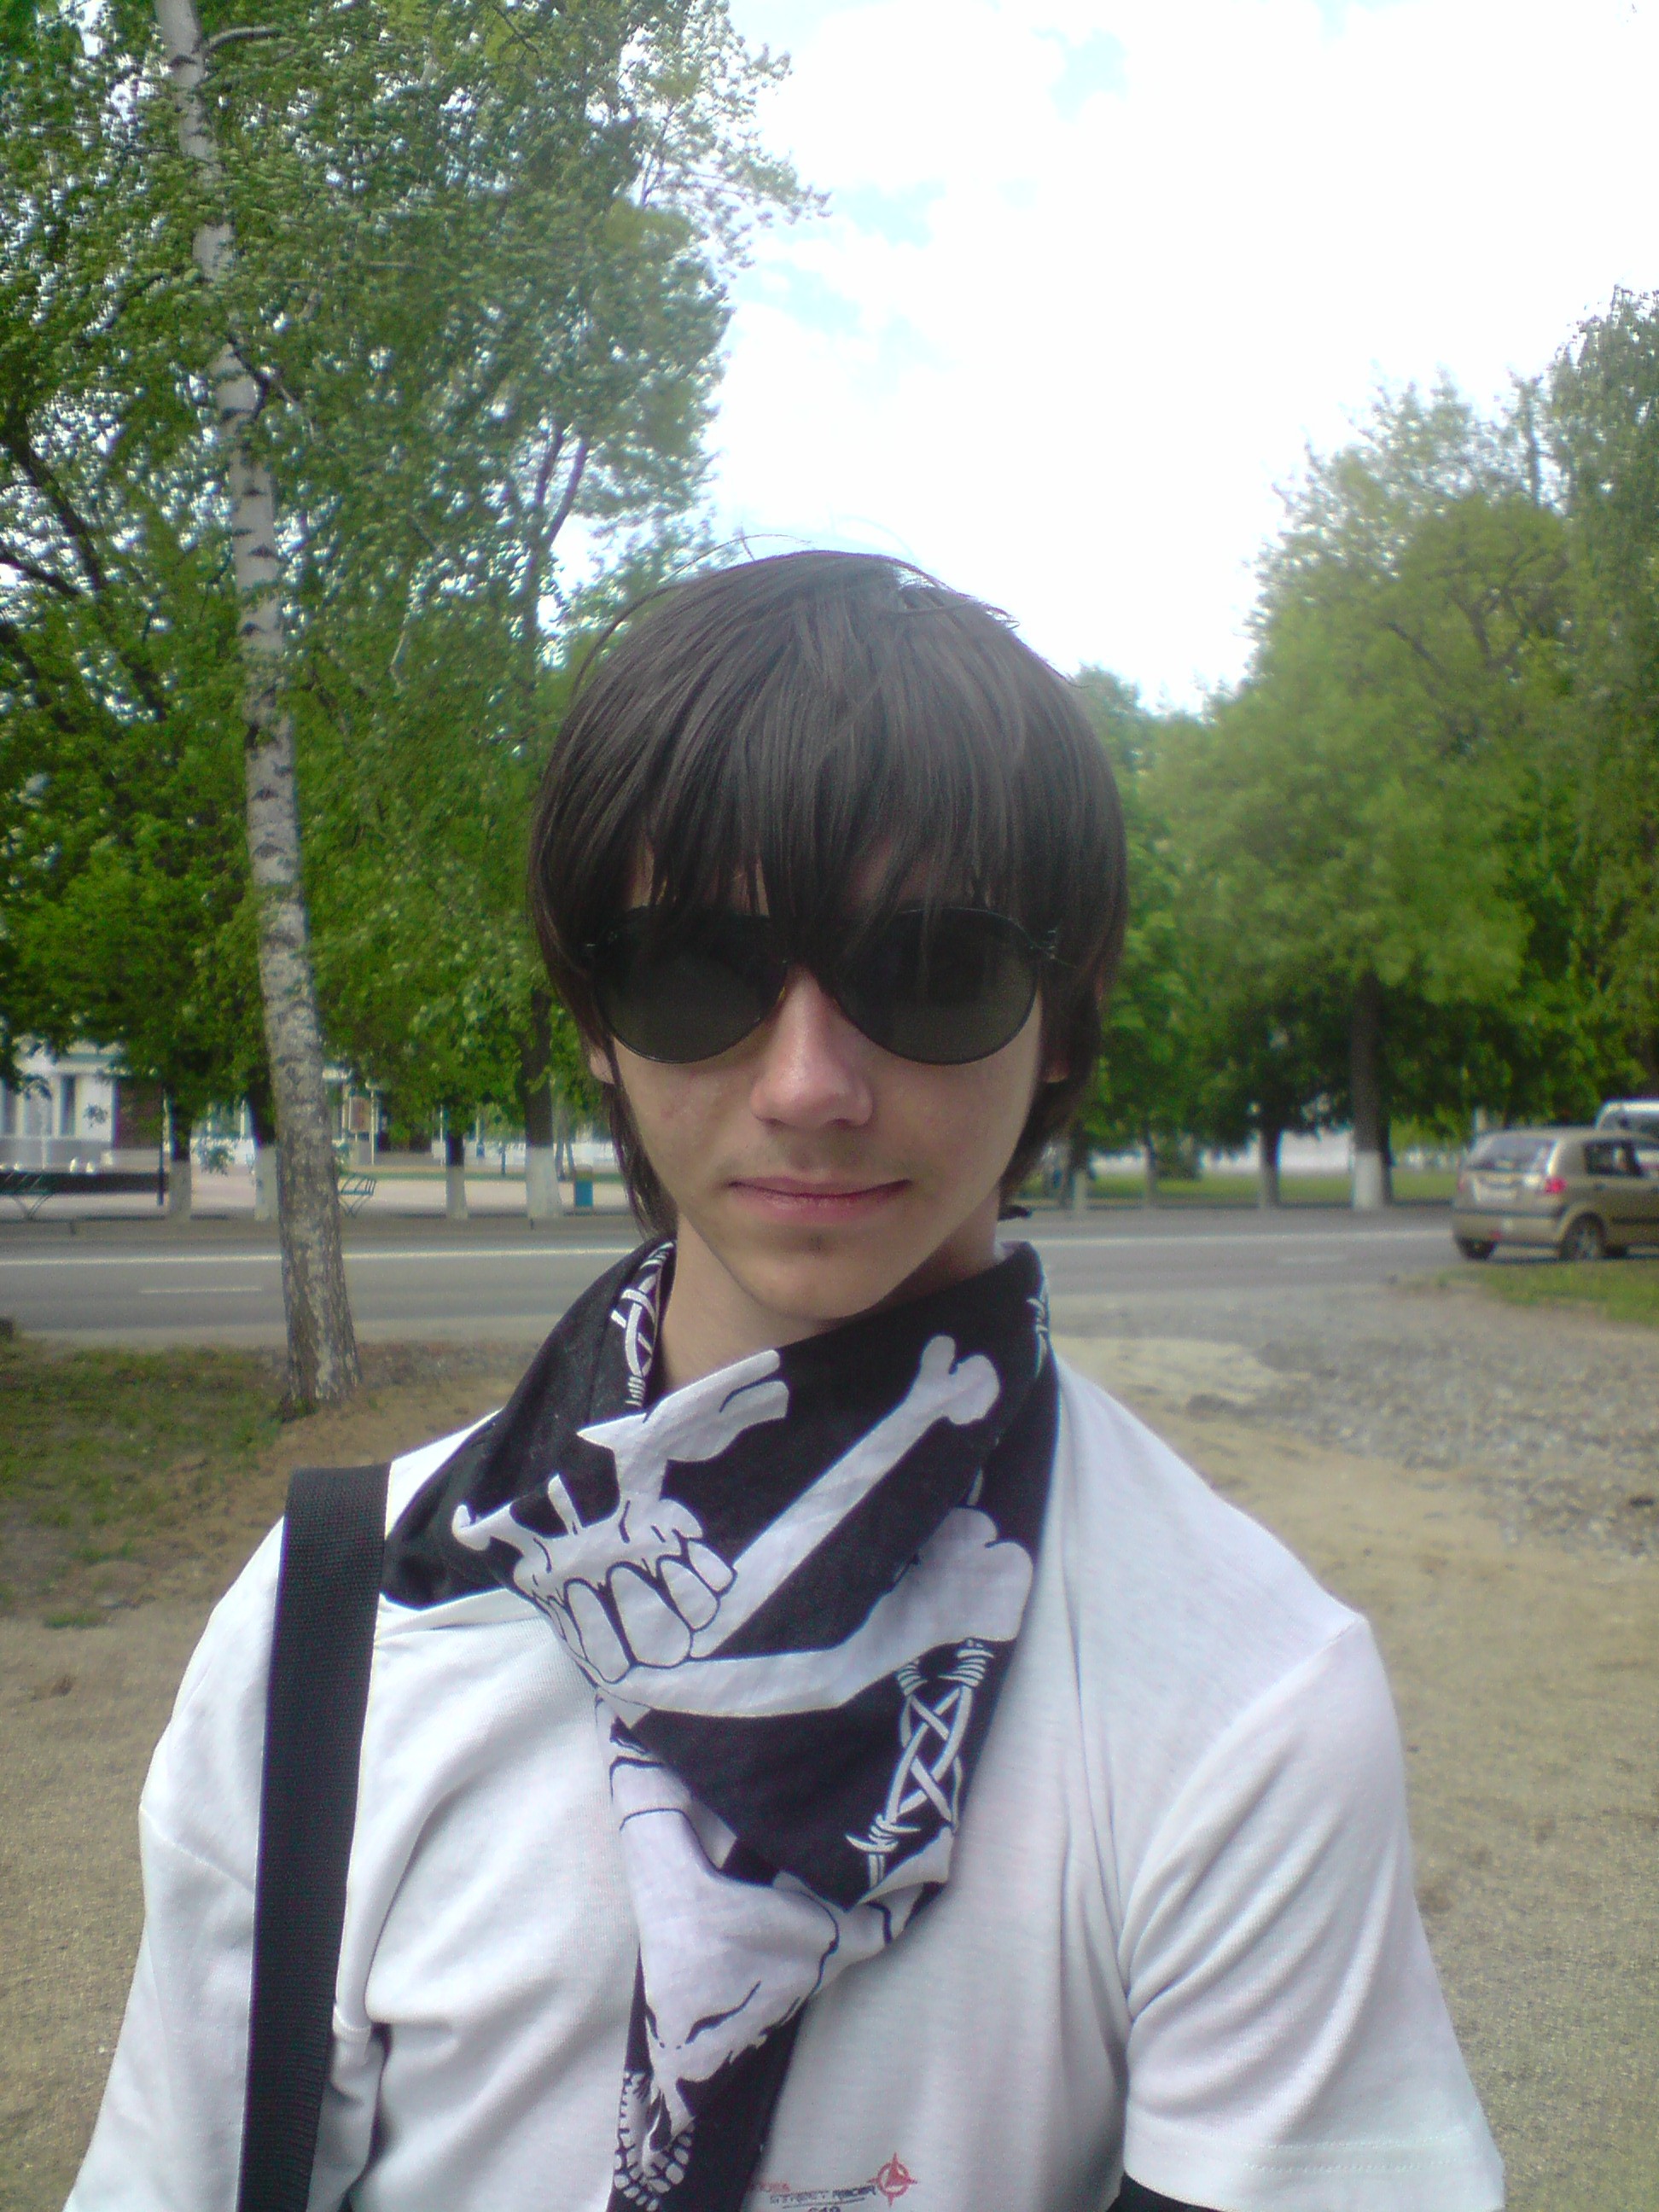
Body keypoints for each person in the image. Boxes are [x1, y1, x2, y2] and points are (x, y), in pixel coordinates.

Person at [69, 550, 1504, 2212]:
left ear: (1066, 1018)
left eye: (932, 965)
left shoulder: (1240, 1696)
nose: (812, 1083)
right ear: (595, 1016)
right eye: (695, 970)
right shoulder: (341, 1621)